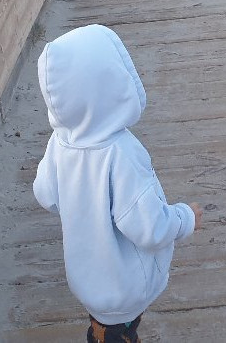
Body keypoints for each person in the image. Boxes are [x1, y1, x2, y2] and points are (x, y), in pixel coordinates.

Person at [33, 24, 203, 343]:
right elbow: (148, 227)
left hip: (87, 278)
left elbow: (45, 194)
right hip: (124, 285)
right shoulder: (120, 153)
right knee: (117, 334)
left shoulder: (60, 143)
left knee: (104, 331)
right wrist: (186, 217)